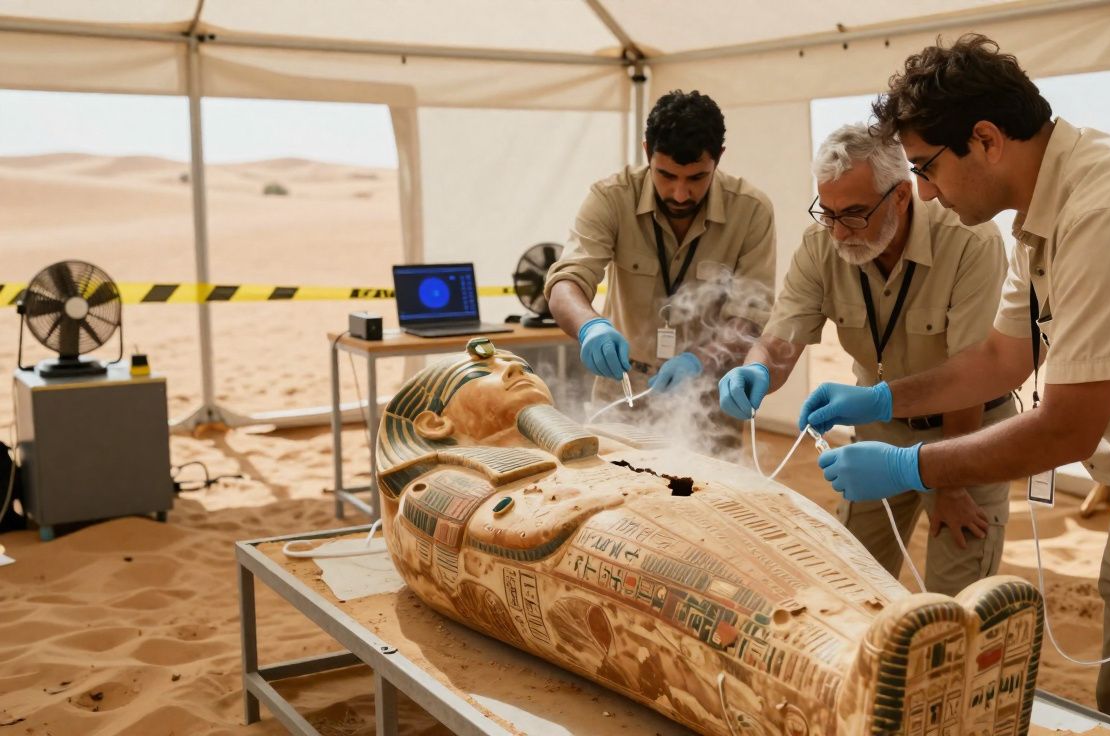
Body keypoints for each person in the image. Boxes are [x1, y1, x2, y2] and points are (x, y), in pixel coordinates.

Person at [799, 34, 1110, 733]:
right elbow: (999, 361)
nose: (925, 192)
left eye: (926, 167)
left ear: (984, 140)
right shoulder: (1043, 214)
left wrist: (909, 464)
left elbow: (1069, 428)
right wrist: (886, 400)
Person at [374, 337, 1046, 736]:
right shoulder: (436, 484)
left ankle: (903, 634)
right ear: (434, 426)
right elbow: (492, 536)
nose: (513, 367)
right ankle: (847, 692)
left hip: (660, 502)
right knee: (727, 601)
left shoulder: (597, 435)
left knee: (792, 534)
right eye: (484, 374)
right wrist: (593, 492)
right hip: (605, 535)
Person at [719, 123, 1013, 596]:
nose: (838, 231)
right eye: (827, 212)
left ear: (900, 196)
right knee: (849, 587)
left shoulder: (969, 241)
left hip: (966, 434)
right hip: (879, 436)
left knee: (956, 606)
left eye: (854, 214)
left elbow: (973, 374)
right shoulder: (821, 246)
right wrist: (755, 368)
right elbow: (781, 337)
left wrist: (952, 485)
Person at [545, 90, 775, 452]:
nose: (680, 194)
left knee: (704, 501)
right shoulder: (610, 198)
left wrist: (699, 361)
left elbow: (749, 317)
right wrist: (590, 326)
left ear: (719, 159)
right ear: (646, 151)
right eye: (666, 175)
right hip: (622, 392)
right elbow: (566, 283)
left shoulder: (751, 211)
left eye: (697, 178)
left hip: (706, 401)